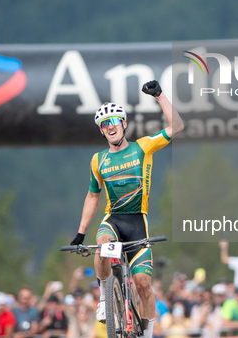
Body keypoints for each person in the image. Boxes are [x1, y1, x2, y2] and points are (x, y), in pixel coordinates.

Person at [69, 80, 184, 338]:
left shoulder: (142, 147)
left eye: (114, 121)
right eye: (104, 124)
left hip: (137, 224)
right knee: (102, 245)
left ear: (124, 124)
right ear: (101, 131)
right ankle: (104, 298)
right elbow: (92, 196)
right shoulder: (98, 160)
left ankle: (147, 333)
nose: (110, 126)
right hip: (113, 220)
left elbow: (177, 127)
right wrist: (80, 233)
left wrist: (160, 96)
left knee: (144, 285)